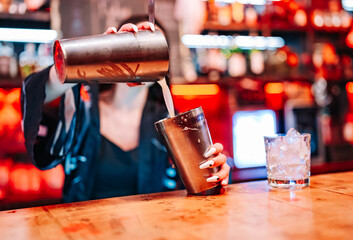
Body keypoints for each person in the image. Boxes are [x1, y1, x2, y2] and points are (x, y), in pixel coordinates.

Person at [21, 16, 230, 203]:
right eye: (136, 44)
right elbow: (36, 93)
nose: (145, 54)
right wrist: (96, 56)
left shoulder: (169, 121)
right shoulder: (81, 109)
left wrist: (215, 173)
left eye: (156, 47)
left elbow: (197, 189)